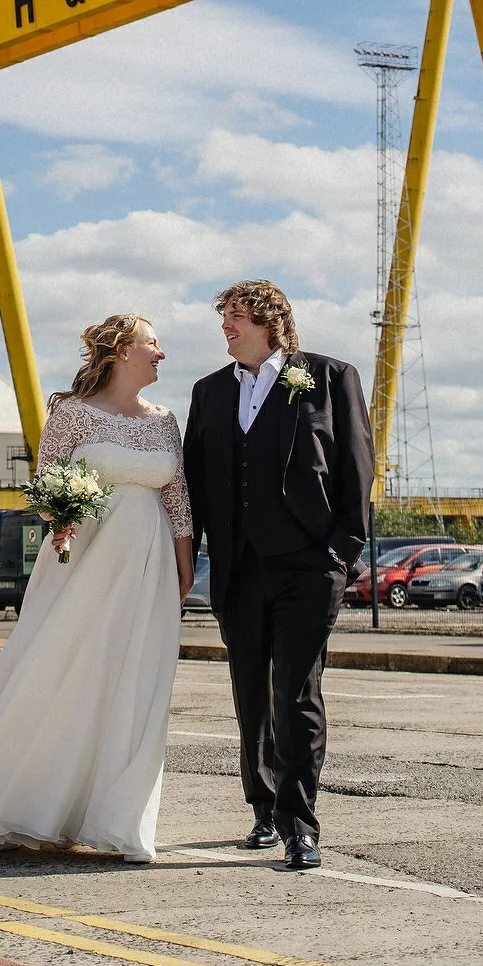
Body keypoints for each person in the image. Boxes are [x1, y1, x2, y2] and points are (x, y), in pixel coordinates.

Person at [0, 313, 195, 865]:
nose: (162, 354)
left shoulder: (164, 421)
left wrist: (184, 562)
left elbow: (177, 498)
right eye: (152, 344)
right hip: (85, 563)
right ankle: (23, 799)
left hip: (149, 568)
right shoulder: (71, 415)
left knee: (134, 679)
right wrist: (66, 515)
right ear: (119, 351)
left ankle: (114, 816)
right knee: (64, 669)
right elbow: (48, 487)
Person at [181, 280, 372, 872]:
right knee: (250, 694)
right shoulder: (209, 392)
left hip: (309, 567)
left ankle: (300, 823)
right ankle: (262, 807)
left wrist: (342, 551)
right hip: (237, 568)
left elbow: (357, 467)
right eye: (225, 319)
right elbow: (191, 483)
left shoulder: (329, 377)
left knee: (296, 689)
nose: (226, 328)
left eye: (236, 317)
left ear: (271, 321)